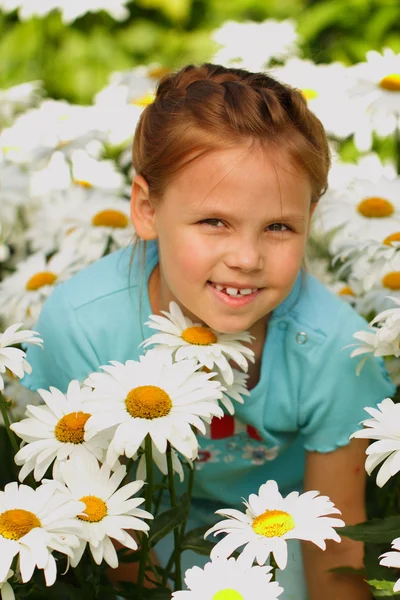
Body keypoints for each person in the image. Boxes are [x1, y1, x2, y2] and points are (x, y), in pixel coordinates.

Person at [21, 63, 394, 600]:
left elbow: (334, 547)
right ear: (147, 209)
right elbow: (108, 527)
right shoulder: (85, 324)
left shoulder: (335, 348)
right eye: (214, 221)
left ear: (311, 218)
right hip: (146, 533)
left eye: (279, 227)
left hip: (283, 527)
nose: (246, 258)